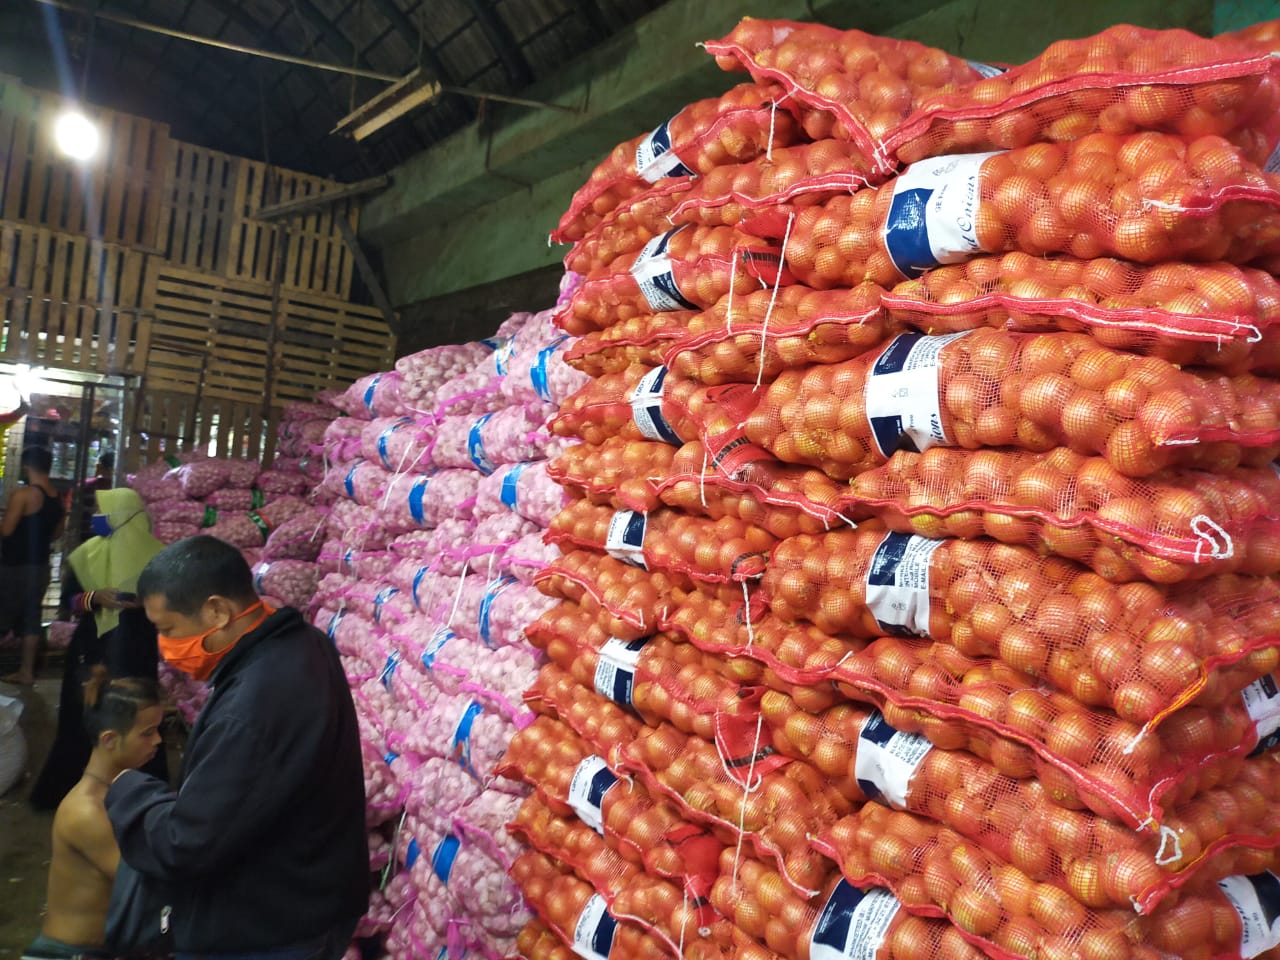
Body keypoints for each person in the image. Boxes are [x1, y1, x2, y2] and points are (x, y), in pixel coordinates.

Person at [106, 535, 368, 960]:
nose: (165, 647)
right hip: (310, 898)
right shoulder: (305, 643)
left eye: (168, 629)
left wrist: (127, 790)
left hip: (271, 929)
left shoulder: (251, 707)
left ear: (217, 611)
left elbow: (186, 842)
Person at [30, 487, 168, 811]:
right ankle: (76, 791)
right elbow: (70, 600)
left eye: (103, 512)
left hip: (136, 647)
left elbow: (172, 602)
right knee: (86, 712)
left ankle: (136, 798)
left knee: (135, 714)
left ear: (124, 515)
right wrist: (95, 598)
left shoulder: (159, 558)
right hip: (92, 647)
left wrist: (146, 604)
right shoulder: (87, 553)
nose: (97, 518)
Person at [23, 668, 164, 960]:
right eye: (147, 733)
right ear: (109, 739)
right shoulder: (86, 811)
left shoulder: (120, 790)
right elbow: (148, 882)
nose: (158, 741)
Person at [2, 446, 67, 686]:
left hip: (14, 566)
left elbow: (7, 530)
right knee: (31, 618)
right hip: (40, 566)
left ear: (26, 466)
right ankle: (26, 672)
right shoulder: (57, 498)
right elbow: (57, 533)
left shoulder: (23, 495)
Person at [76, 452, 114, 546]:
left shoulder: (85, 485)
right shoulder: (121, 487)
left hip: (85, 537)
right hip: (111, 539)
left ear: (99, 466)